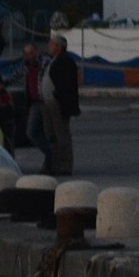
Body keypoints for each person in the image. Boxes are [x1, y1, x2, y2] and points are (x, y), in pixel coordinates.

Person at [43, 34, 81, 175]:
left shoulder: (65, 61)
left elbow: (66, 83)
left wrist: (57, 95)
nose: (49, 46)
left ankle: (65, 165)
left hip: (58, 104)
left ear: (59, 47)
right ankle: (54, 164)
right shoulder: (53, 60)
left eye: (52, 44)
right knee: (52, 135)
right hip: (49, 102)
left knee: (62, 135)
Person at [17, 41, 46, 156]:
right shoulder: (26, 66)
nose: (30, 56)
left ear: (36, 52)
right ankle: (50, 155)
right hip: (34, 103)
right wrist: (2, 84)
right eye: (27, 54)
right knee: (31, 132)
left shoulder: (44, 62)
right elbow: (16, 75)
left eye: (32, 53)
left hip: (45, 101)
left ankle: (52, 157)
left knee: (48, 133)